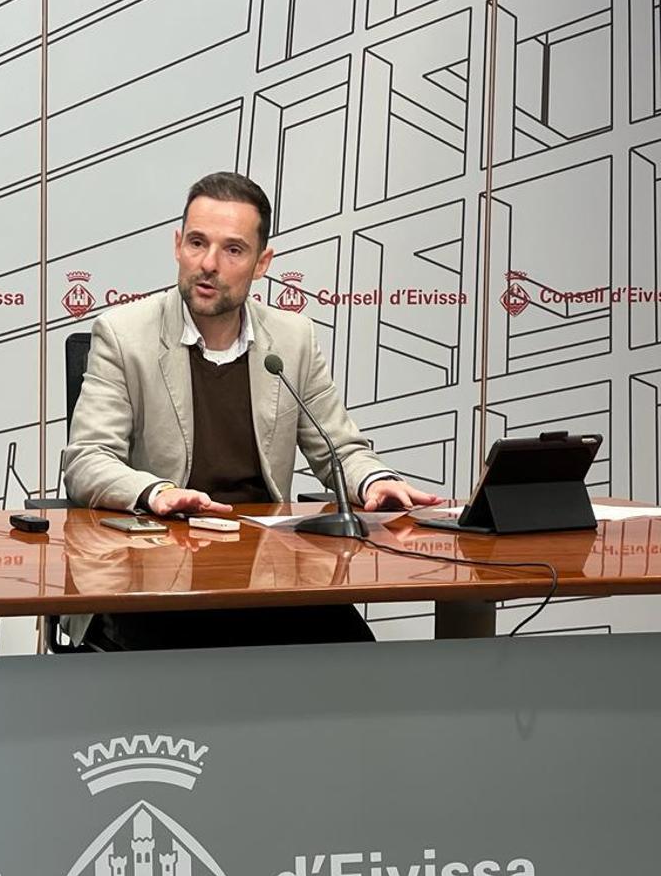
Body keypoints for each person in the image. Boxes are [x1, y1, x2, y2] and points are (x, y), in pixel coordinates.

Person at [61, 171, 442, 650]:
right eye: (197, 243)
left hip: (268, 571)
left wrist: (373, 482)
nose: (208, 264)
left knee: (358, 661)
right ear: (177, 245)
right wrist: (156, 492)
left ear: (262, 263)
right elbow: (87, 461)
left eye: (233, 250)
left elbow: (338, 448)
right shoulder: (123, 334)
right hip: (154, 572)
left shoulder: (292, 339)